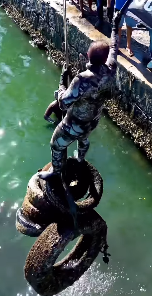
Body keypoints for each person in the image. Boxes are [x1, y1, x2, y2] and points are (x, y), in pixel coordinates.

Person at [38, 14, 121, 180]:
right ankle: (80, 158)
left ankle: (55, 172)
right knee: (84, 138)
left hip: (74, 123)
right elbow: (114, 47)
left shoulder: (83, 79)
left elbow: (63, 103)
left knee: (56, 145)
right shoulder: (111, 69)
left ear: (88, 57)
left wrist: (62, 80)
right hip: (92, 121)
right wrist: (115, 26)